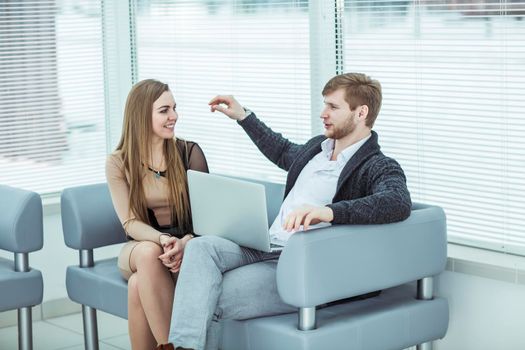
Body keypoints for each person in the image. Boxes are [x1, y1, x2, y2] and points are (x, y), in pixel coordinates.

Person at [165, 72, 412, 350]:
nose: (323, 113)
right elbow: (281, 150)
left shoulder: (377, 165)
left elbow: (397, 201)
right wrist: (243, 115)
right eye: (324, 105)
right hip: (266, 245)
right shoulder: (316, 150)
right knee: (200, 248)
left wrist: (329, 212)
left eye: (333, 107)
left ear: (361, 113)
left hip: (301, 266)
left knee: (206, 294)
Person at [106, 79, 208, 349]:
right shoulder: (119, 162)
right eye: (164, 110)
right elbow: (129, 222)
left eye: (174, 108)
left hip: (184, 244)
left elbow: (207, 217)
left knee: (138, 286)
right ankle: (174, 345)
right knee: (149, 253)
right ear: (142, 115)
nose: (173, 116)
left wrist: (184, 242)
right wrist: (162, 239)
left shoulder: (189, 153)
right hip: (140, 246)